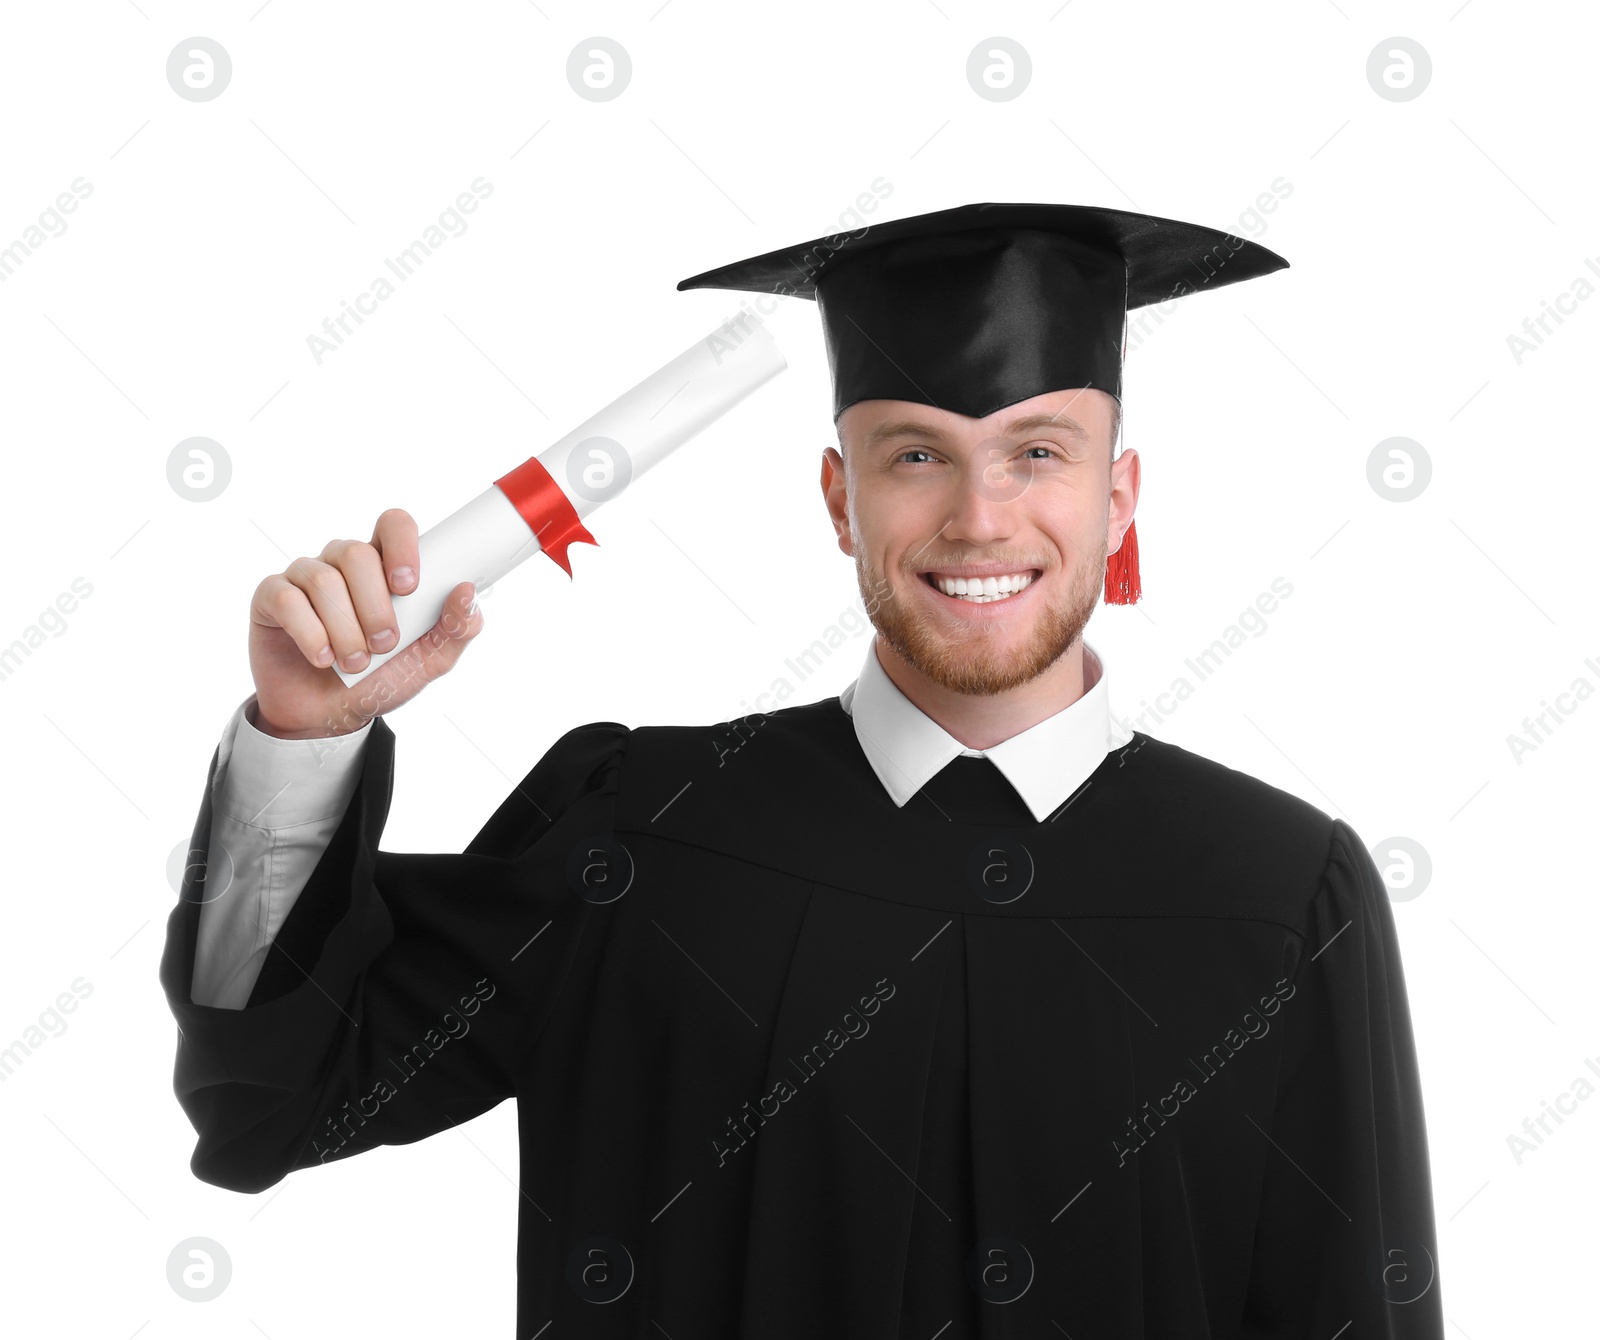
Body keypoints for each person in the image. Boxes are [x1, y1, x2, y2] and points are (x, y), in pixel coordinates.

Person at [162, 202, 1445, 1338]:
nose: (981, 516)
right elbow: (270, 1104)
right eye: (916, 453)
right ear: (839, 499)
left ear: (1120, 500)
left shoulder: (1281, 896)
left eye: (1038, 451)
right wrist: (304, 738)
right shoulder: (638, 834)